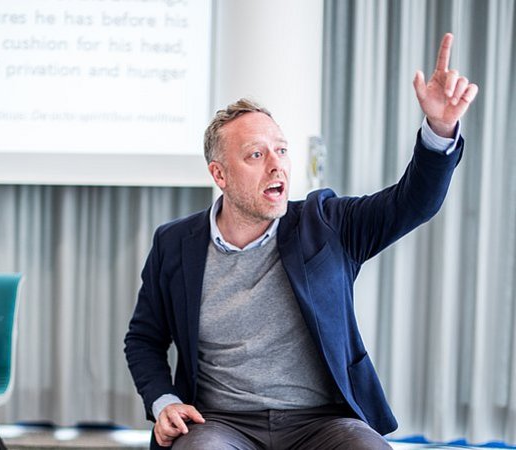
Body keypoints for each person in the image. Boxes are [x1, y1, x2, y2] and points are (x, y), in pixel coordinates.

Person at [124, 33, 478, 449]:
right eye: (256, 155)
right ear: (219, 175)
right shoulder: (175, 243)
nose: (277, 166)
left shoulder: (326, 223)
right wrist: (164, 400)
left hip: (322, 422)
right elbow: (144, 339)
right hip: (220, 422)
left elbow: (413, 203)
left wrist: (440, 129)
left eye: (282, 151)